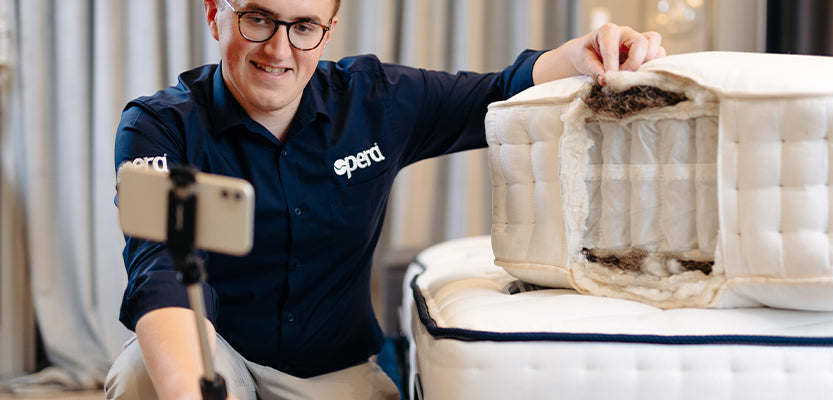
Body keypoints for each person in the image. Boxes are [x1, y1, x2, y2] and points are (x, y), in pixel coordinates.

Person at [105, 0, 667, 399]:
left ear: (327, 33)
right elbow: (162, 272)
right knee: (142, 377)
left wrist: (586, 53)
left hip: (331, 372)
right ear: (215, 14)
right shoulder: (159, 126)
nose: (279, 48)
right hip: (216, 348)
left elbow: (501, 90)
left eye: (304, 26)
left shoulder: (377, 101)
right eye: (257, 19)